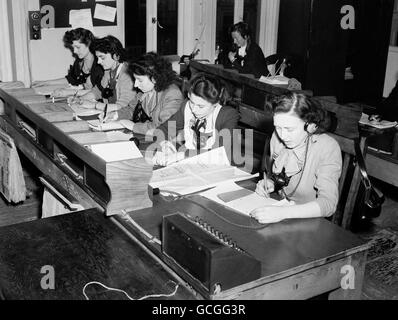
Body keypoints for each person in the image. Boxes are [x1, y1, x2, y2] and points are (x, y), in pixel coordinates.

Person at [251, 93, 342, 224]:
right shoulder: (277, 138)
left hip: (309, 223)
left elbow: (328, 204)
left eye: (290, 129)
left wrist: (283, 213)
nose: (283, 136)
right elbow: (283, 175)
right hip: (278, 211)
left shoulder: (327, 147)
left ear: (311, 125)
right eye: (278, 127)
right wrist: (271, 183)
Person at [152, 73, 240, 166]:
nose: (194, 109)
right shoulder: (187, 106)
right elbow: (163, 130)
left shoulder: (228, 115)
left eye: (201, 106)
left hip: (218, 167)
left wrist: (181, 155)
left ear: (215, 103)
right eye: (192, 102)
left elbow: (219, 152)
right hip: (190, 163)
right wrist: (164, 145)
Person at [105, 52, 184, 135]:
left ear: (155, 78)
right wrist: (115, 114)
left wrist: (133, 126)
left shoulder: (172, 94)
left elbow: (167, 128)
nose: (135, 85)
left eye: (140, 80)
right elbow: (131, 109)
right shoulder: (145, 91)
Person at [32, 28, 104, 96]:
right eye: (73, 48)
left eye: (78, 47)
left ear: (89, 44)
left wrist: (69, 92)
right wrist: (46, 83)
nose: (75, 51)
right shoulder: (80, 61)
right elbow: (71, 79)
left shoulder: (101, 63)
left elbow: (98, 91)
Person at [77, 35, 135, 114]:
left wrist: (94, 105)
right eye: (98, 58)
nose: (98, 62)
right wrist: (80, 99)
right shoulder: (108, 71)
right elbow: (98, 91)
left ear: (116, 56)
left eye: (102, 58)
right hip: (110, 114)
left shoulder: (127, 75)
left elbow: (123, 106)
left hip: (122, 116)